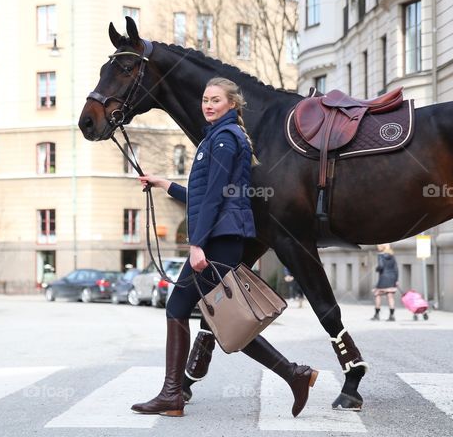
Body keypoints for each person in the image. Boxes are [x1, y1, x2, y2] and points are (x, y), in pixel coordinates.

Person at [132, 77, 317, 418]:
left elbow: (216, 197)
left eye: (216, 99)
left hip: (218, 240)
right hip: (221, 237)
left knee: (201, 314)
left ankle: (174, 394)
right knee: (225, 320)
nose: (208, 104)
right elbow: (203, 196)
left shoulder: (224, 140)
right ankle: (293, 375)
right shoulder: (217, 138)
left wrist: (197, 245)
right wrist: (165, 184)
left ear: (231, 104)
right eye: (205, 98)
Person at [372, 244, 398, 321]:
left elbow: (381, 266)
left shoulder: (380, 255)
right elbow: (396, 269)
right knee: (390, 296)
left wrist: (377, 269)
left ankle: (377, 315)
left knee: (378, 295)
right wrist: (396, 280)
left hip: (383, 277)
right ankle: (392, 315)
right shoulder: (392, 255)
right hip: (392, 278)